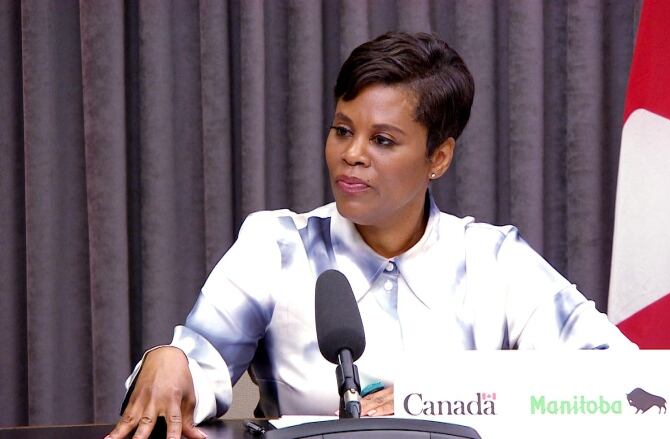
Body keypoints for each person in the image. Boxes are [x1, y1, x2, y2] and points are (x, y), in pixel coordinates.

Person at [107, 31, 635, 439]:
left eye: (382, 139)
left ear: (439, 157)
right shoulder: (277, 246)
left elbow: (624, 385)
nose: (352, 154)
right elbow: (197, 369)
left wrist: (443, 399)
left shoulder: (495, 260)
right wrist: (170, 361)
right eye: (342, 130)